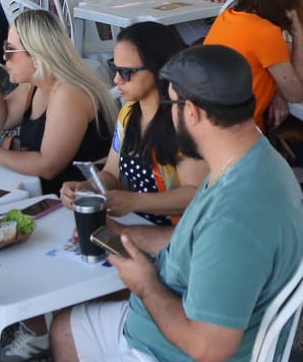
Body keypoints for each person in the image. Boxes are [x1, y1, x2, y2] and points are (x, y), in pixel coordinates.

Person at [0, 43, 303, 362]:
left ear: (194, 112)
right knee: (65, 332)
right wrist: (129, 236)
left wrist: (144, 283)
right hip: (173, 337)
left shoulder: (235, 215)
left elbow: (209, 346)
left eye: (173, 103)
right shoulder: (250, 155)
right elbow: (199, 244)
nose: (168, 112)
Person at [59, 22, 209, 223]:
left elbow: (194, 193)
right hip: (132, 224)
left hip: (174, 233)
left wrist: (134, 201)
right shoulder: (129, 113)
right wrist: (86, 187)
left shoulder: (183, 121)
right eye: (114, 68)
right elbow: (111, 174)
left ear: (158, 68)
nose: (116, 79)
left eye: (126, 72)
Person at [0, 8, 114, 193]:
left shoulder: (68, 94)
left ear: (37, 55)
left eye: (10, 49)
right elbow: (0, 120)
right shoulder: (34, 85)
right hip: (41, 187)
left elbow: (48, 167)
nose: (4, 57)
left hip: (75, 197)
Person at [204, 0, 303, 129]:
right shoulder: (266, 32)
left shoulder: (227, 17)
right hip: (242, 134)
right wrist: (297, 35)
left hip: (209, 126)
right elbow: (296, 94)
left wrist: (277, 93)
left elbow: (258, 67)